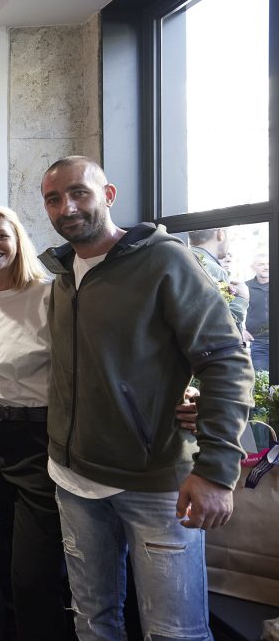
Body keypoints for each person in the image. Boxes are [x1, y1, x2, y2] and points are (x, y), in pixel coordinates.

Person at [38, 155, 252, 641]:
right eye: (53, 199)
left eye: (79, 193)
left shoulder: (164, 260)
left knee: (174, 633)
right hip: (73, 481)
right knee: (92, 623)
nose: (67, 206)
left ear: (108, 196)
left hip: (155, 487)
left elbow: (225, 361)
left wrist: (217, 470)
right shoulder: (63, 275)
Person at [0, 206, 68, 640]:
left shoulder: (48, 293)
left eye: (1, 236)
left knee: (33, 567)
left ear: (18, 239)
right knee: (5, 540)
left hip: (42, 436)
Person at [189, 228, 249, 328]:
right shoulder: (214, 269)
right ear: (220, 233)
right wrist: (243, 297)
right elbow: (226, 325)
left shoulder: (185, 257)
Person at [246, 253, 270, 371]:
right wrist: (242, 330)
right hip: (258, 342)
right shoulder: (245, 287)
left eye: (268, 264)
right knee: (263, 378)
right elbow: (234, 311)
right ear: (253, 267)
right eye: (261, 264)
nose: (266, 267)